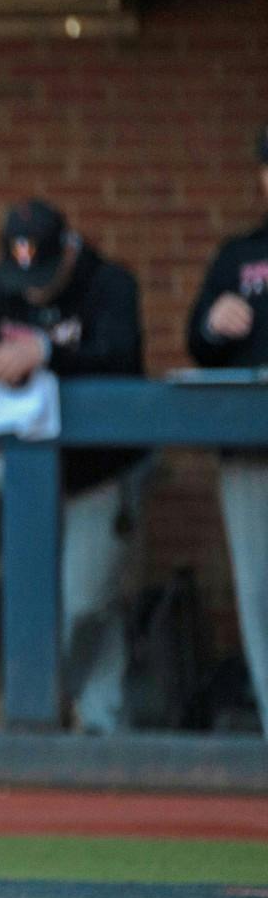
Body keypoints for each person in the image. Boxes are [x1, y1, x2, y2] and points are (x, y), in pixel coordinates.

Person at [0, 199, 145, 733]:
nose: (33, 287)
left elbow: (124, 363)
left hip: (97, 478)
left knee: (88, 602)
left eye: (43, 272)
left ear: (68, 250)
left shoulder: (108, 285)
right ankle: (90, 725)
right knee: (53, 604)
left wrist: (47, 352)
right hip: (23, 484)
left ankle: (67, 713)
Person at [186, 126, 268, 731]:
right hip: (249, 450)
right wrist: (213, 323)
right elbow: (199, 343)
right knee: (260, 595)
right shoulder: (240, 256)